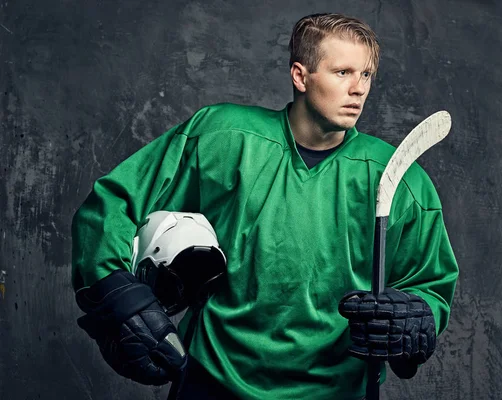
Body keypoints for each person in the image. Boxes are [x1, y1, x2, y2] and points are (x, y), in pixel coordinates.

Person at [71, 12, 459, 400]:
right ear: (300, 76)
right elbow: (113, 203)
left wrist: (417, 314)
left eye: (366, 75)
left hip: (338, 391)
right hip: (213, 381)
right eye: (342, 72)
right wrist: (117, 291)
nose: (358, 89)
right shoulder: (223, 138)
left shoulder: (398, 177)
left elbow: (430, 282)